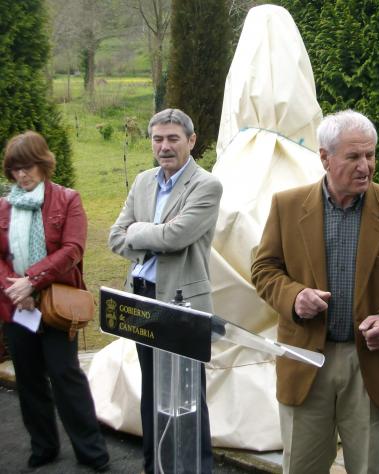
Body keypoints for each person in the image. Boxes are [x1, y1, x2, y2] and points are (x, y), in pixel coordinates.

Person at [251, 109, 379, 474]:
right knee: (302, 468)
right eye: (353, 156)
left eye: (370, 155)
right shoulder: (287, 206)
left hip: (370, 363)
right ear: (325, 157)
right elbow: (264, 269)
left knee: (370, 467)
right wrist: (293, 297)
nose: (365, 166)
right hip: (306, 360)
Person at [109, 108, 222, 474]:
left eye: (173, 138)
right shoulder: (144, 181)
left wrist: (138, 231)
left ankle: (197, 468)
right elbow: (114, 237)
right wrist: (153, 235)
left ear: (191, 140)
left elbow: (176, 237)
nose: (164, 146)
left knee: (188, 396)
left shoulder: (206, 185)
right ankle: (153, 465)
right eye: (157, 139)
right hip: (141, 295)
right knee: (152, 389)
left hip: (181, 302)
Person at [0, 131, 110, 471]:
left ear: (43, 163)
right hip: (16, 306)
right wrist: (15, 290)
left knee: (65, 375)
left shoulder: (67, 200)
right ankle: (44, 447)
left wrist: (32, 281)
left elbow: (73, 249)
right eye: (16, 168)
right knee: (28, 378)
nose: (22, 174)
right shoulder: (4, 206)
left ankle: (92, 451)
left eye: (28, 166)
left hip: (57, 305)